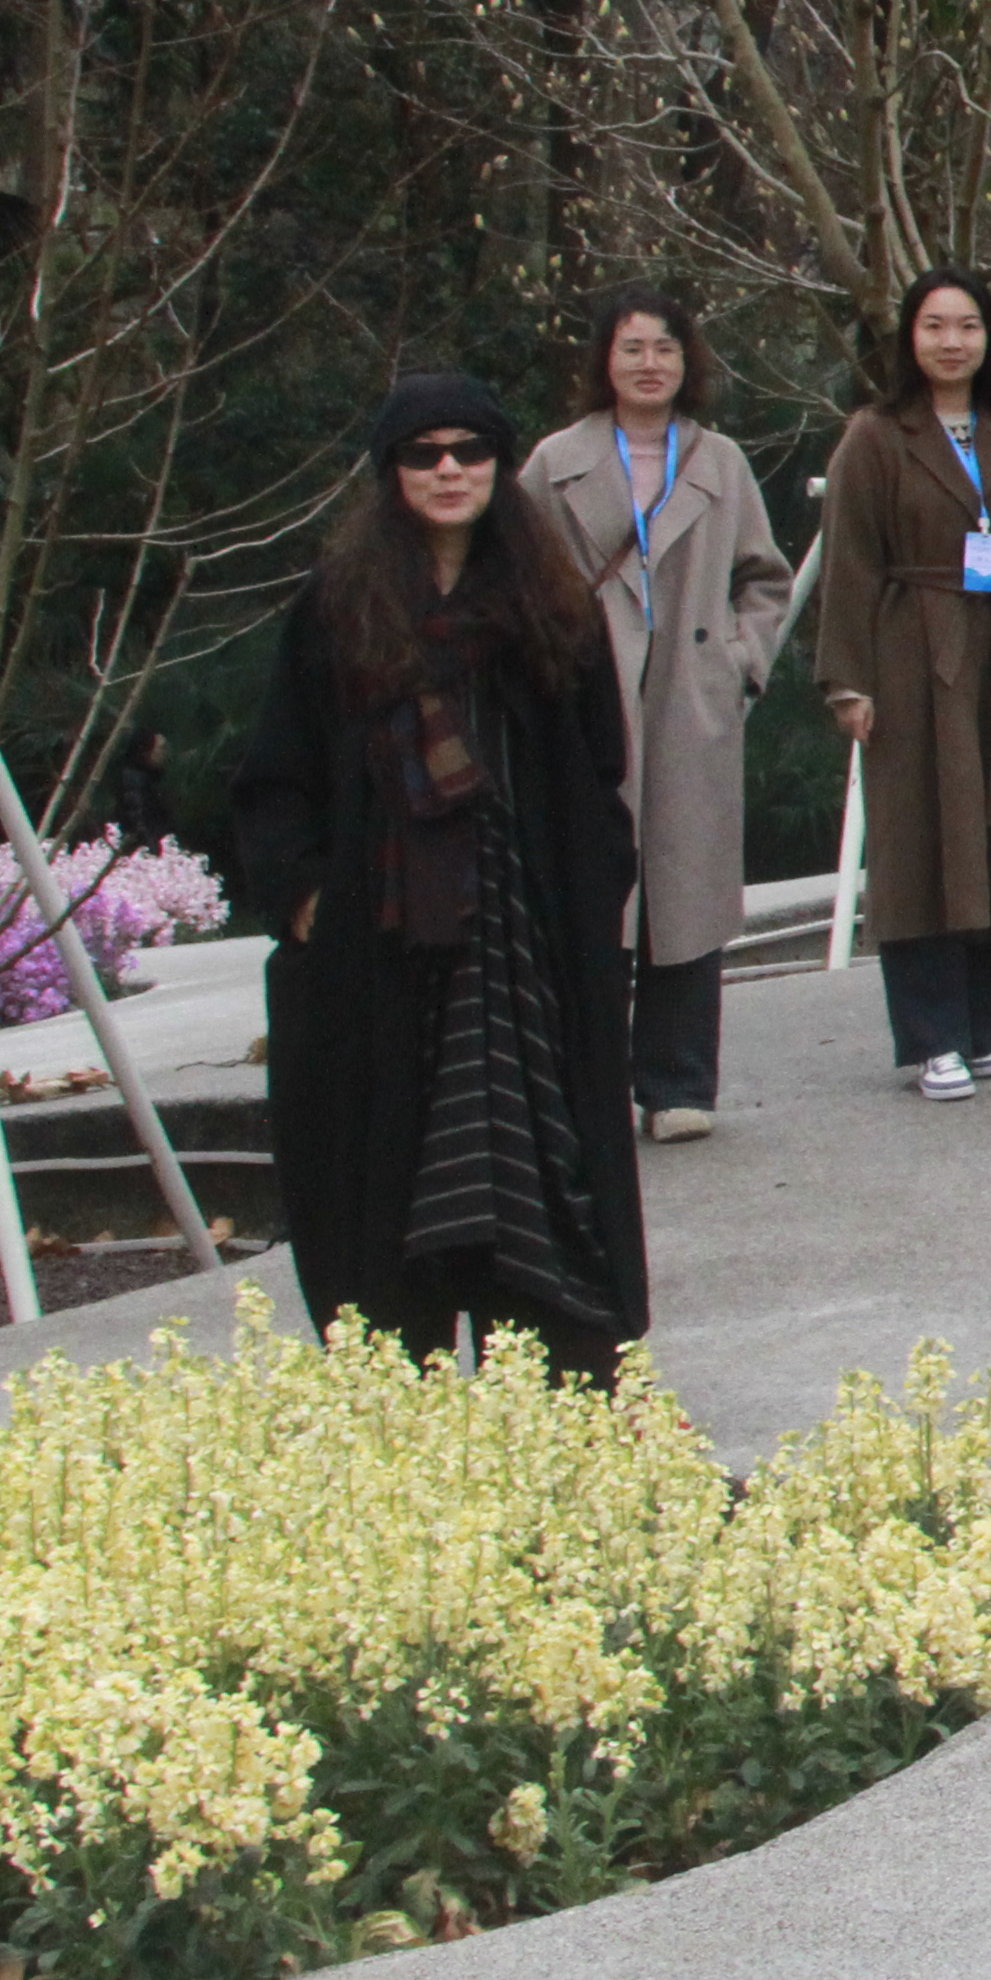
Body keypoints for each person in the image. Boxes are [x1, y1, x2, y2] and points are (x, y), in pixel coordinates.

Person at [229, 376, 647, 1377]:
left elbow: (599, 771)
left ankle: (555, 1401)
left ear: (501, 467)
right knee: (393, 1174)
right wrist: (306, 905)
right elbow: (272, 779)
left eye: (469, 450)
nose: (450, 469)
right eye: (424, 453)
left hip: (522, 949)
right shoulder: (337, 611)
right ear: (392, 473)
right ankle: (405, 1409)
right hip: (382, 951)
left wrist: (589, 901)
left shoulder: (550, 607)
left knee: (535, 1173)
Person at [811, 272, 991, 1101]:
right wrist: (848, 682)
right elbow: (851, 562)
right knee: (920, 837)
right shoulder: (874, 436)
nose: (951, 342)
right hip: (910, 647)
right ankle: (933, 1036)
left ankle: (987, 1028)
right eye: (934, 326)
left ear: (988, 339)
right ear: (908, 338)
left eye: (967, 326)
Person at [525, 287, 794, 1142]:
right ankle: (587, 1081)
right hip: (585, 704)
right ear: (604, 359)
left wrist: (737, 665)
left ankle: (679, 1084)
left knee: (686, 893)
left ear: (689, 363)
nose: (650, 364)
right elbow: (516, 578)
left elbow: (765, 579)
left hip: (688, 706)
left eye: (666, 349)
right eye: (633, 347)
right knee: (591, 891)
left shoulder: (720, 463)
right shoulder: (552, 462)